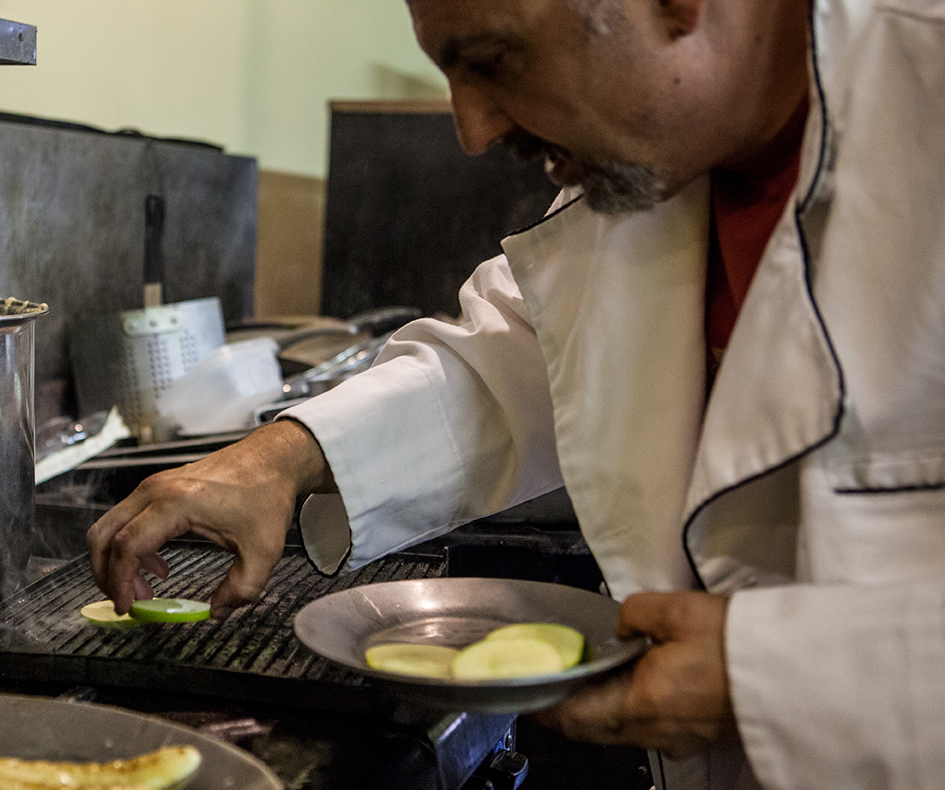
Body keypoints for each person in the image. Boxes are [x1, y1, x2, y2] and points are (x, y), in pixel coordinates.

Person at [88, 0, 945, 786]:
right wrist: (278, 462)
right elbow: (522, 353)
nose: (471, 127)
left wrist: (785, 680)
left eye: (493, 61)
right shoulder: (651, 167)